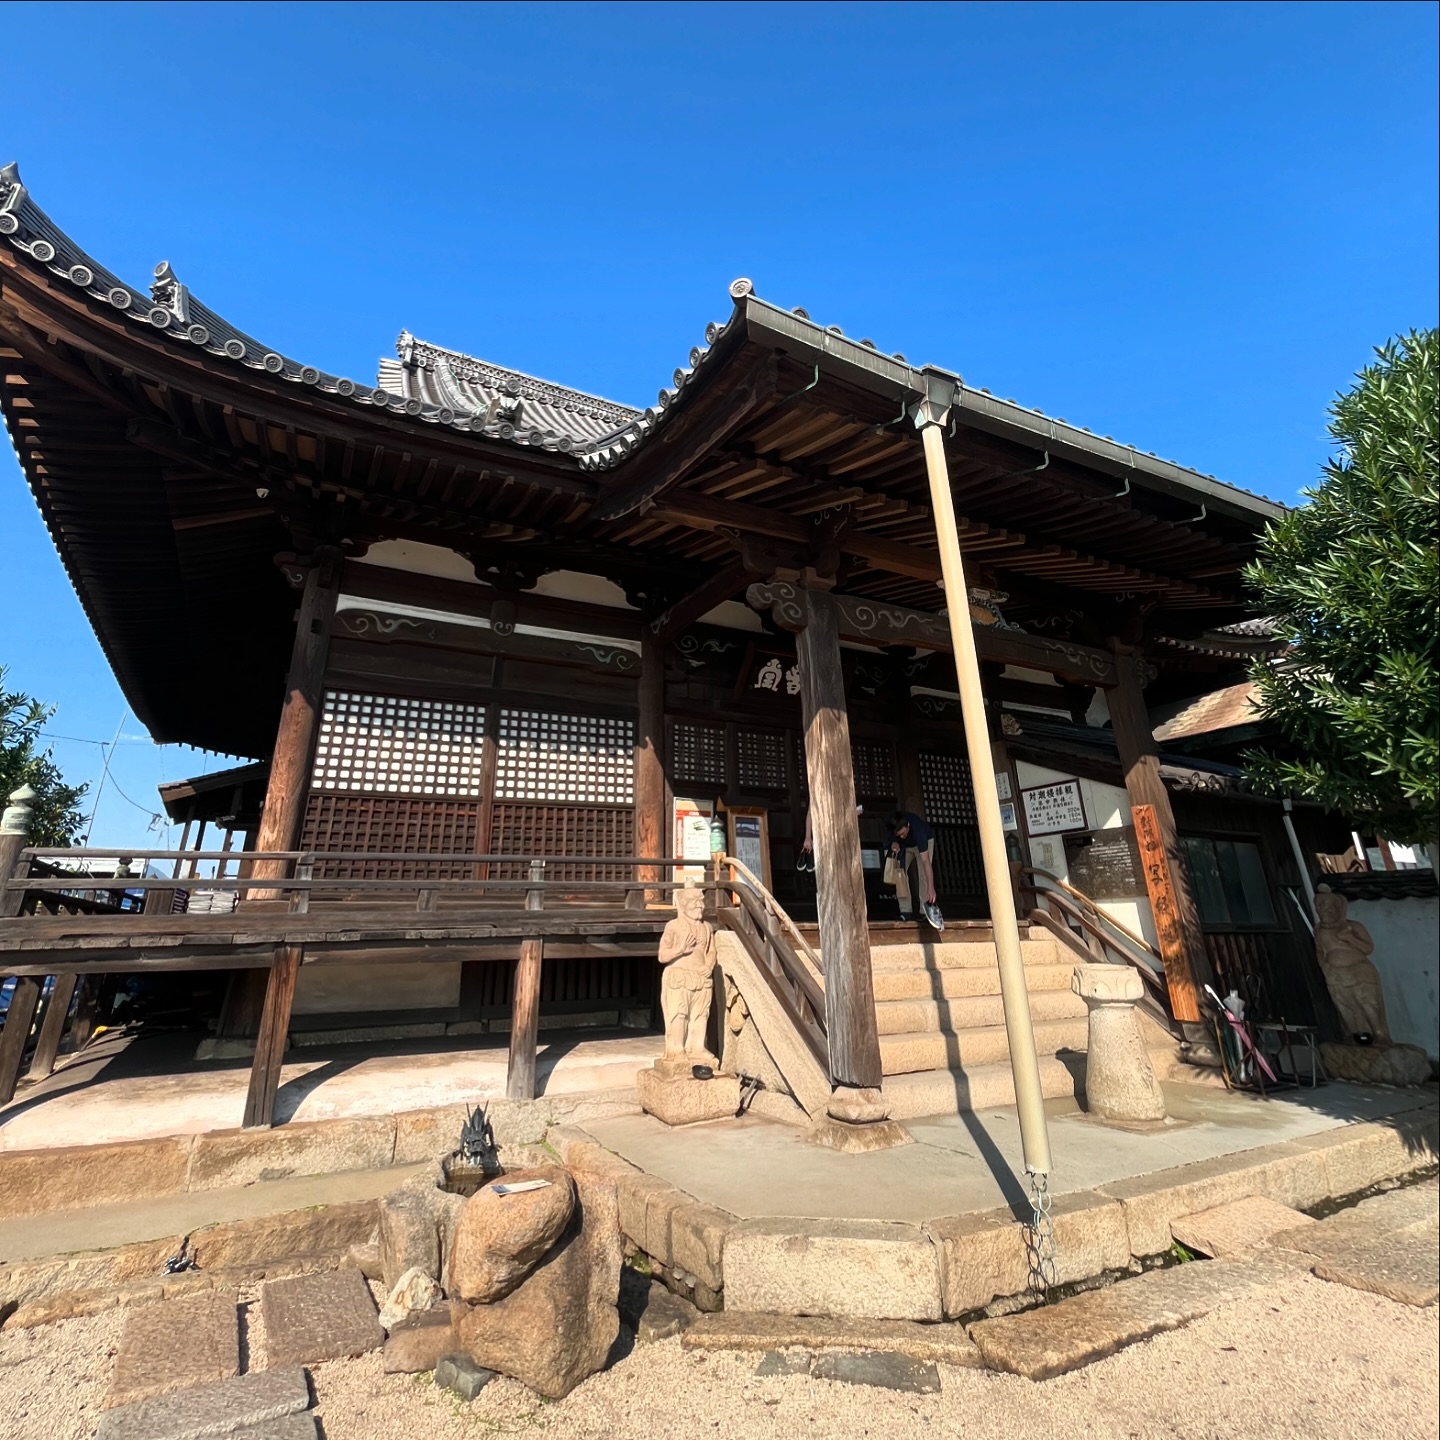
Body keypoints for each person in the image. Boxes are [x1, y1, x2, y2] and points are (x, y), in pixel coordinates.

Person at [887, 810, 942, 929]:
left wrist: (931, 888)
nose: (902, 836)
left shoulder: (918, 830)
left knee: (923, 875)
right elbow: (893, 839)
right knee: (900, 874)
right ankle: (905, 911)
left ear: (907, 826)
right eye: (899, 835)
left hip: (923, 844)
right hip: (906, 847)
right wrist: (895, 843)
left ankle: (924, 911)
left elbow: (926, 862)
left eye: (903, 833)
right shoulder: (894, 824)